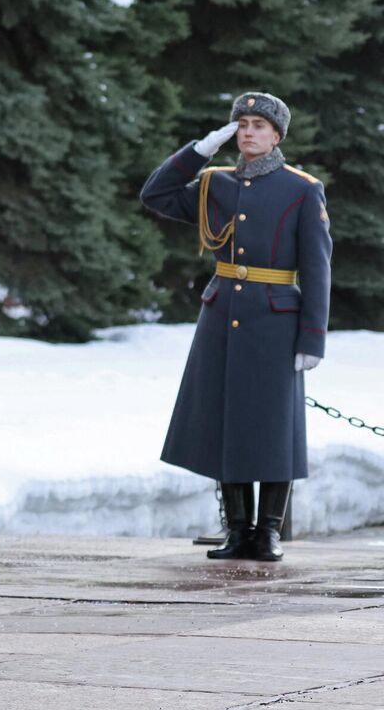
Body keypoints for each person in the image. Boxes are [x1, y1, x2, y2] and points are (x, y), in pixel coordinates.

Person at [139, 92, 330, 562]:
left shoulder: (302, 188)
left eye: (258, 126)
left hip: (275, 320)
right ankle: (237, 530)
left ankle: (267, 533)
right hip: (221, 316)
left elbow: (318, 266)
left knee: (272, 427)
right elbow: (155, 195)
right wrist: (199, 150)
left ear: (277, 135)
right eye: (241, 124)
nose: (248, 132)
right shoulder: (214, 183)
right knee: (227, 423)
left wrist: (312, 337)